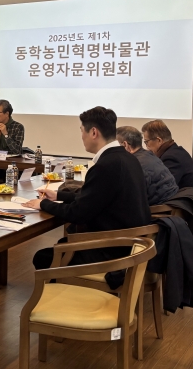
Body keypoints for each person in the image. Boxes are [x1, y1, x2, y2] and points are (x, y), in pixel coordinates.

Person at [24, 107, 151, 269]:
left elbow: (78, 213)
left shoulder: (105, 166)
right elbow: (96, 198)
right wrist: (58, 195)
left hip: (110, 252)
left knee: (42, 257)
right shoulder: (128, 158)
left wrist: (43, 204)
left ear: (93, 132)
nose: (81, 136)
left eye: (81, 130)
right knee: (59, 245)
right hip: (130, 246)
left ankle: (66, 285)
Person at [116, 125, 179, 205]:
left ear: (125, 145)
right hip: (170, 204)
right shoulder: (149, 155)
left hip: (157, 208)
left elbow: (132, 198)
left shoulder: (133, 164)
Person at [142, 119, 193, 190]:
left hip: (185, 197)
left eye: (146, 142)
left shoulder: (171, 158)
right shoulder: (175, 152)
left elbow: (164, 188)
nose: (146, 146)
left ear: (159, 140)